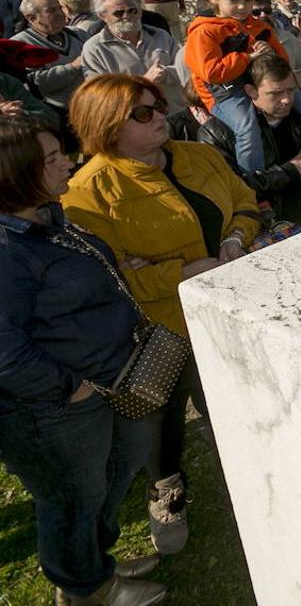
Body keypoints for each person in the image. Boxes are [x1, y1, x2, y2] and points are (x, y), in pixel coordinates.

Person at [61, 74, 261, 558]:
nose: (161, 117)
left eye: (159, 105)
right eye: (143, 113)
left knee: (236, 403)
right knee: (160, 417)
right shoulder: (87, 193)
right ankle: (166, 491)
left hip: (230, 310)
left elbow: (246, 203)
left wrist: (236, 238)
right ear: (107, 127)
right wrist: (180, 271)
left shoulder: (200, 156)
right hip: (157, 331)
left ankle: (253, 478)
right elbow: (106, 280)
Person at [0, 117, 164, 606]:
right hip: (52, 410)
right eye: (51, 160)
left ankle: (96, 562)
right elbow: (4, 352)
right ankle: (85, 589)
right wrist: (72, 388)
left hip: (101, 387)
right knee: (72, 499)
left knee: (111, 476)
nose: (67, 162)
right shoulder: (7, 251)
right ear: (13, 175)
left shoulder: (45, 218)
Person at [183, 0, 301, 176]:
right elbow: (211, 72)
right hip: (223, 94)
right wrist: (247, 57)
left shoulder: (259, 27)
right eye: (233, 0)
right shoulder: (204, 32)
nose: (242, 6)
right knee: (246, 126)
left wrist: (270, 53)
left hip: (257, 86)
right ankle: (254, 179)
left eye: (248, 0)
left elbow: (283, 64)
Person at [199, 54, 301, 229]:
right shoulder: (217, 133)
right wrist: (291, 172)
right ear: (251, 91)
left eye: (291, 90)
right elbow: (229, 190)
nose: (286, 100)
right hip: (261, 233)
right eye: (275, 93)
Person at [82, 0, 188, 113]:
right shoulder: (95, 48)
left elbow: (185, 69)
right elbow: (100, 93)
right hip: (135, 119)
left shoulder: (160, 35)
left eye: (133, 11)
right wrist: (142, 83)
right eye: (119, 13)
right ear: (102, 16)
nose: (127, 16)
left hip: (175, 113)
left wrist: (166, 74)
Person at [11, 0, 87, 117]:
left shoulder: (78, 34)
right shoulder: (20, 45)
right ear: (32, 18)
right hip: (58, 114)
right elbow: (37, 85)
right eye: (51, 11)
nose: (60, 13)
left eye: (59, 8)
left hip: (94, 104)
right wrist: (73, 67)